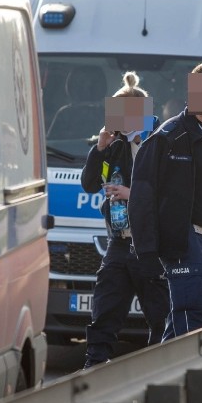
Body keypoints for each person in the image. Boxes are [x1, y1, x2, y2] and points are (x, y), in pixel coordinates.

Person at [128, 62, 202, 339]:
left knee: (181, 322)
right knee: (195, 319)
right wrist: (146, 251)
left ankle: (162, 378)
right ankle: (194, 380)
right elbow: (141, 193)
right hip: (183, 240)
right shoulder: (169, 136)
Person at [80, 71, 169, 369]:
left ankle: (157, 371)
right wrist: (100, 148)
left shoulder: (160, 142)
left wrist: (133, 194)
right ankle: (94, 364)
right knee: (106, 306)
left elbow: (171, 195)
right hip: (119, 242)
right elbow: (90, 184)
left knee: (160, 315)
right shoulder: (114, 145)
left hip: (151, 245)